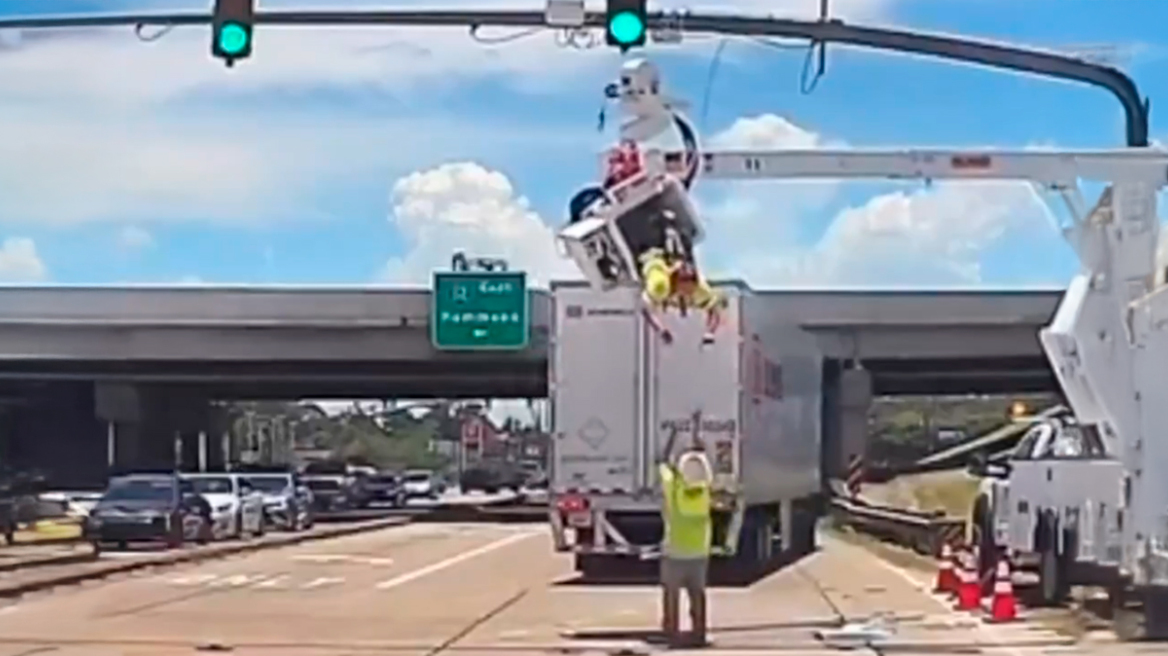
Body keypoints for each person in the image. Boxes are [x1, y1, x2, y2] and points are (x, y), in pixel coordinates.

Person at [657, 411, 713, 648]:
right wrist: (696, 430)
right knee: (697, 594)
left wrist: (672, 436)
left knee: (671, 594)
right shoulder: (704, 491)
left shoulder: (674, 490)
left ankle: (672, 631)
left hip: (675, 551)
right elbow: (702, 458)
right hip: (699, 553)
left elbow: (662, 462)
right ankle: (698, 632)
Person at [640, 245, 726, 346]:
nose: (687, 294)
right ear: (676, 284)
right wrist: (661, 329)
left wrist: (710, 333)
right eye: (684, 290)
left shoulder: (700, 290)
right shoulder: (660, 287)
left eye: (690, 291)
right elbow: (647, 309)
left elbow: (715, 312)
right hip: (652, 262)